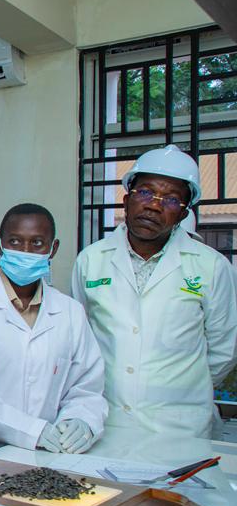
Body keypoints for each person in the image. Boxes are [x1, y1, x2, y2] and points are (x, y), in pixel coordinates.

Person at [72, 145, 237, 438]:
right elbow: (78, 340)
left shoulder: (211, 266)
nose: (154, 206)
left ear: (183, 213)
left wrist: (180, 388)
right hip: (106, 419)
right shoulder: (91, 260)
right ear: (127, 200)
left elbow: (223, 350)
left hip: (180, 428)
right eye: (146, 192)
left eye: (171, 199)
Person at [0, 204, 106, 455]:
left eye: (37, 243)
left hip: (50, 454)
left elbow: (86, 386)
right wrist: (32, 431)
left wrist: (80, 420)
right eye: (15, 241)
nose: (25, 251)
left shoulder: (70, 312)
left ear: (53, 248)